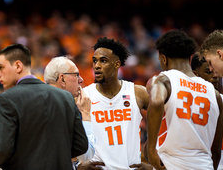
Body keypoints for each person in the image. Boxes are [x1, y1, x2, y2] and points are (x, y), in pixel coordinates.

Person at [0, 44, 88, 170]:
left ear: (18, 66)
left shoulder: (6, 99)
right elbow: (80, 145)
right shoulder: (65, 97)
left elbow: (3, 150)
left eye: (1, 67)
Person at [145, 30, 223, 170]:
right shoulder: (214, 94)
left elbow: (156, 102)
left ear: (163, 58)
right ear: (190, 57)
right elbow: (216, 152)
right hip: (205, 165)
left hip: (171, 164)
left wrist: (151, 151)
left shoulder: (163, 80)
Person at [83, 37, 151, 170]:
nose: (97, 65)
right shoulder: (84, 95)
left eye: (103, 61)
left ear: (116, 64)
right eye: (95, 61)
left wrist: (153, 161)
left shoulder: (137, 93)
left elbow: (169, 118)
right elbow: (64, 130)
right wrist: (77, 164)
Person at [44, 56, 104, 169]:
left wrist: (75, 163)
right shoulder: (62, 107)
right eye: (76, 75)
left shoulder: (38, 102)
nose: (81, 80)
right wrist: (86, 114)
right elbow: (86, 153)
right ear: (62, 79)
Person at [191, 53, 223, 170]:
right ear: (195, 74)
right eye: (208, 72)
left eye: (215, 71)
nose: (215, 76)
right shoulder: (187, 101)